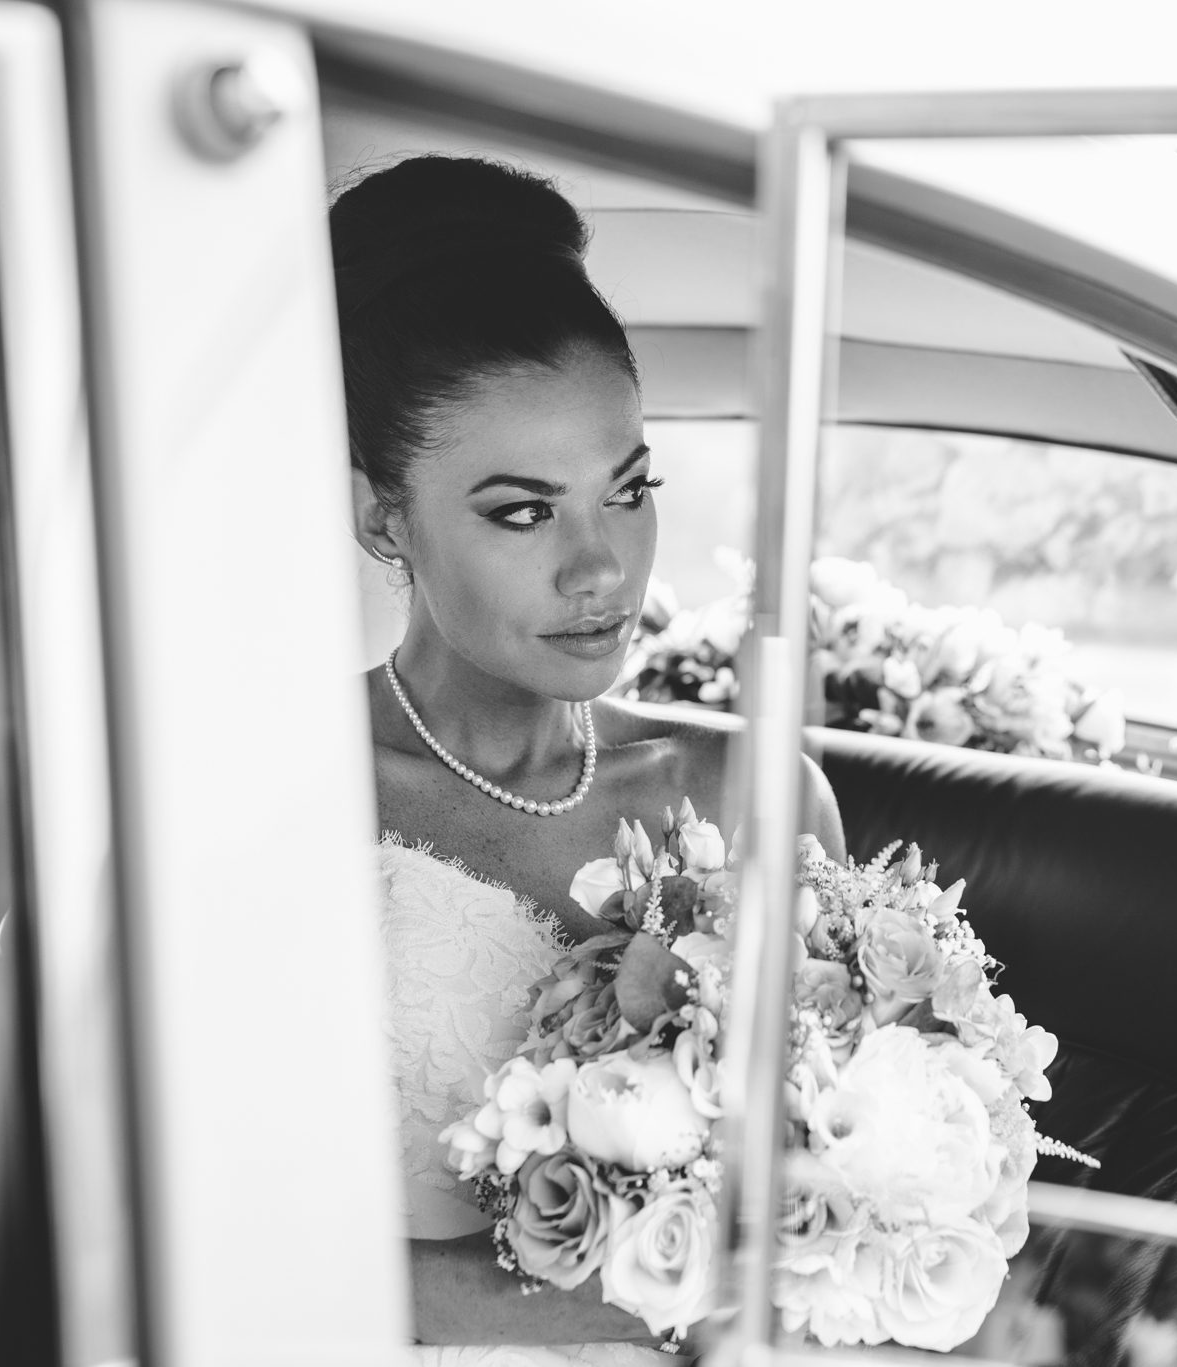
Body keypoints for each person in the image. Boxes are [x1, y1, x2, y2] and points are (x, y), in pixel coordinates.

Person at [335, 155, 846, 1360]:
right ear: (381, 519)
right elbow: (215, 1230)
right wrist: (637, 1292)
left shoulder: (754, 795)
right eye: (522, 510)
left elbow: (831, 1182)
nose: (601, 568)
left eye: (627, 489)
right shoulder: (285, 797)